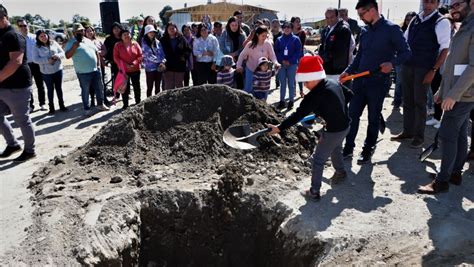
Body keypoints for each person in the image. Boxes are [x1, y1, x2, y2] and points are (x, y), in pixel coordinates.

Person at [267, 55, 352, 200]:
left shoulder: (313, 96)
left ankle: (314, 191)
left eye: (306, 81)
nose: (305, 85)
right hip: (345, 125)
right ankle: (341, 172)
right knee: (336, 147)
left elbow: (297, 115)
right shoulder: (333, 83)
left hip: (333, 130)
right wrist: (333, 113)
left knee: (317, 160)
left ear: (314, 77)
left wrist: (279, 128)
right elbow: (349, 95)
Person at [340, 0, 411, 164]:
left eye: (361, 14)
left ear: (372, 10)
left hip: (379, 82)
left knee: (373, 117)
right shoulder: (364, 31)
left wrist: (391, 64)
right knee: (353, 115)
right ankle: (348, 147)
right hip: (359, 81)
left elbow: (406, 53)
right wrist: (348, 71)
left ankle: (368, 147)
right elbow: (359, 56)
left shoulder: (391, 29)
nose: (360, 18)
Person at [418, 0, 474, 194]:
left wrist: (453, 95)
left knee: (447, 135)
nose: (453, 9)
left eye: (457, 4)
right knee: (458, 134)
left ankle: (442, 182)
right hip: (457, 92)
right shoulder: (464, 26)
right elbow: (452, 64)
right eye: (451, 6)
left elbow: (472, 68)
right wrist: (442, 91)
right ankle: (454, 173)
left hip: (463, 94)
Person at [391, 0, 451, 149]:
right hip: (408, 65)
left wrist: (433, 70)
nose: (428, 4)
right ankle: (408, 131)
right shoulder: (416, 19)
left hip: (424, 68)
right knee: (408, 100)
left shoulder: (441, 21)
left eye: (432, 2)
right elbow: (404, 40)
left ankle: (419, 137)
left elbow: (445, 49)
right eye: (426, 1)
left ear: (437, 4)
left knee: (420, 103)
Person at [0, 4, 36, 161]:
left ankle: (30, 150)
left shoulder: (13, 35)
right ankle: (13, 144)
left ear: (3, 18)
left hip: (17, 85)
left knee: (21, 119)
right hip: (3, 85)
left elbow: (16, 61)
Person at [65, 23, 109, 115]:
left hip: (95, 70)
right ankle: (87, 108)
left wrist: (97, 65)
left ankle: (100, 104)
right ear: (74, 33)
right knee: (85, 91)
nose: (80, 32)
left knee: (99, 88)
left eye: (81, 30)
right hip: (82, 72)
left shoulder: (88, 40)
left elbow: (96, 52)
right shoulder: (70, 42)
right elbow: (67, 56)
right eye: (78, 31)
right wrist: (74, 46)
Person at [32, 29, 67, 114]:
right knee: (50, 89)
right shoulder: (36, 47)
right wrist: (47, 60)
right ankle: (51, 107)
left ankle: (61, 105)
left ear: (47, 35)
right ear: (38, 38)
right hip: (46, 73)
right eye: (41, 36)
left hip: (58, 70)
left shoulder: (54, 43)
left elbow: (63, 53)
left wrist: (57, 55)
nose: (44, 37)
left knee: (59, 89)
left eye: (45, 35)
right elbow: (35, 60)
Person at [236, 26, 280, 94]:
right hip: (251, 69)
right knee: (248, 89)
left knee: (263, 89)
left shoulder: (268, 44)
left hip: (263, 71)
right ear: (257, 35)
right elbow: (242, 55)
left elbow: (272, 55)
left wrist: (276, 63)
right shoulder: (250, 44)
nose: (265, 37)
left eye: (266, 35)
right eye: (263, 36)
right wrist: (239, 66)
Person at [16, 18, 46, 111]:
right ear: (18, 27)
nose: (23, 27)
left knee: (40, 84)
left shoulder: (34, 37)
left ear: (28, 26)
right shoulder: (17, 39)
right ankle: (31, 106)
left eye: (25, 25)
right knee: (28, 87)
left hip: (37, 64)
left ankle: (42, 104)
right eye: (21, 26)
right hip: (25, 65)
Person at [319, 8, 354, 81]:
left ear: (337, 16)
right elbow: (322, 46)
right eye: (327, 18)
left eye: (332, 17)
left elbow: (339, 51)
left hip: (338, 71)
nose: (329, 20)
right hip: (326, 70)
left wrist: (323, 57)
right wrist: (319, 56)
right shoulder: (326, 30)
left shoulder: (343, 29)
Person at [392, 11, 417, 110]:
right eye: (407, 19)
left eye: (411, 19)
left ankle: (406, 101)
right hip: (401, 60)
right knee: (399, 82)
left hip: (413, 60)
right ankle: (397, 101)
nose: (409, 21)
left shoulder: (418, 30)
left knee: (410, 83)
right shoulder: (400, 30)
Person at [274, 21, 302, 109]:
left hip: (292, 64)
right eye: (285, 27)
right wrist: (282, 60)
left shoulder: (296, 39)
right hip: (282, 64)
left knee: (291, 83)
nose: (286, 29)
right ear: (282, 29)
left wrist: (290, 60)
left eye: (288, 27)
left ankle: (291, 101)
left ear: (291, 29)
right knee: (283, 83)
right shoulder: (279, 39)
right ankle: (282, 101)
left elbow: (298, 51)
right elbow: (276, 51)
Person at [113, 27, 143, 109]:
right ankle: (125, 104)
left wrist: (134, 63)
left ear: (130, 35)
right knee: (124, 88)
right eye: (124, 35)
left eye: (128, 34)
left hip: (135, 69)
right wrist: (124, 64)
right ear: (121, 37)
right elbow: (116, 57)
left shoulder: (135, 44)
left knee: (136, 86)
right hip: (124, 70)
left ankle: (138, 102)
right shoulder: (117, 45)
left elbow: (140, 55)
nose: (126, 36)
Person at [160, 22, 192, 89]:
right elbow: (160, 52)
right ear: (167, 30)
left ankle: (179, 100)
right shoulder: (163, 40)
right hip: (168, 66)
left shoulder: (181, 38)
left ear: (176, 29)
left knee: (179, 86)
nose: (171, 30)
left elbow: (188, 49)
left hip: (179, 66)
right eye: (169, 28)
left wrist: (184, 57)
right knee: (168, 86)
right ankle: (168, 99)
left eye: (173, 28)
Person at [219, 16, 247, 89]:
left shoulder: (242, 34)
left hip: (239, 60)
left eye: (236, 25)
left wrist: (235, 54)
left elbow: (244, 47)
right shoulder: (224, 33)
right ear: (229, 25)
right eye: (232, 25)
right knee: (228, 81)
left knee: (239, 80)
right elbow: (221, 46)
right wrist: (230, 55)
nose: (234, 27)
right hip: (227, 60)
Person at [85, 25, 109, 106]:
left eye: (90, 31)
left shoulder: (99, 41)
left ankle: (104, 98)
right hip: (89, 66)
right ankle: (92, 100)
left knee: (101, 82)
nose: (89, 33)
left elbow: (105, 51)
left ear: (93, 32)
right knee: (91, 84)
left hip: (100, 65)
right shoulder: (83, 42)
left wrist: (99, 52)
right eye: (87, 31)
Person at [142, 25, 166, 97]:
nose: (152, 33)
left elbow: (162, 53)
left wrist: (163, 61)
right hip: (150, 68)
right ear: (146, 33)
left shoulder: (157, 42)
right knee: (150, 87)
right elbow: (148, 55)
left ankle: (157, 102)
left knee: (158, 86)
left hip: (159, 67)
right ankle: (148, 103)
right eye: (150, 32)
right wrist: (160, 61)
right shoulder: (144, 42)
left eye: (153, 32)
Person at [103, 22, 124, 93]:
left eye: (118, 28)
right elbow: (105, 49)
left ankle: (126, 91)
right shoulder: (109, 39)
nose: (116, 30)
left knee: (125, 77)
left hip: (124, 60)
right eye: (114, 28)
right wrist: (106, 60)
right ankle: (116, 93)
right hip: (114, 61)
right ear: (112, 30)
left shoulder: (124, 37)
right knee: (116, 77)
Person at [291, 16, 307, 96]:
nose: (298, 23)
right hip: (291, 56)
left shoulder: (302, 33)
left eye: (299, 21)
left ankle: (301, 91)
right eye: (297, 21)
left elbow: (301, 45)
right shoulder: (289, 32)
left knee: (299, 74)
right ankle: (293, 90)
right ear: (292, 23)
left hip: (300, 56)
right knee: (292, 74)